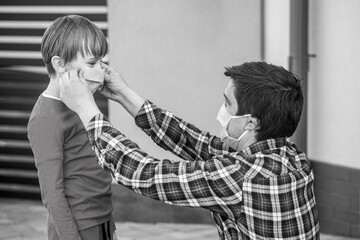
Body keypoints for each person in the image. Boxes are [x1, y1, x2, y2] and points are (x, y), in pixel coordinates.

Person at [59, 61, 320, 240]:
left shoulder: (242, 177)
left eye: (227, 104)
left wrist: (87, 110)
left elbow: (146, 174)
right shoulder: (290, 156)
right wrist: (123, 94)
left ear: (250, 122)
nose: (222, 109)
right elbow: (194, 142)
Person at [27, 15, 117, 240]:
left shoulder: (81, 101)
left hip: (102, 217)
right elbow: (51, 193)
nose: (101, 71)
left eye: (101, 62)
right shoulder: (44, 118)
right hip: (77, 227)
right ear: (59, 64)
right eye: (91, 63)